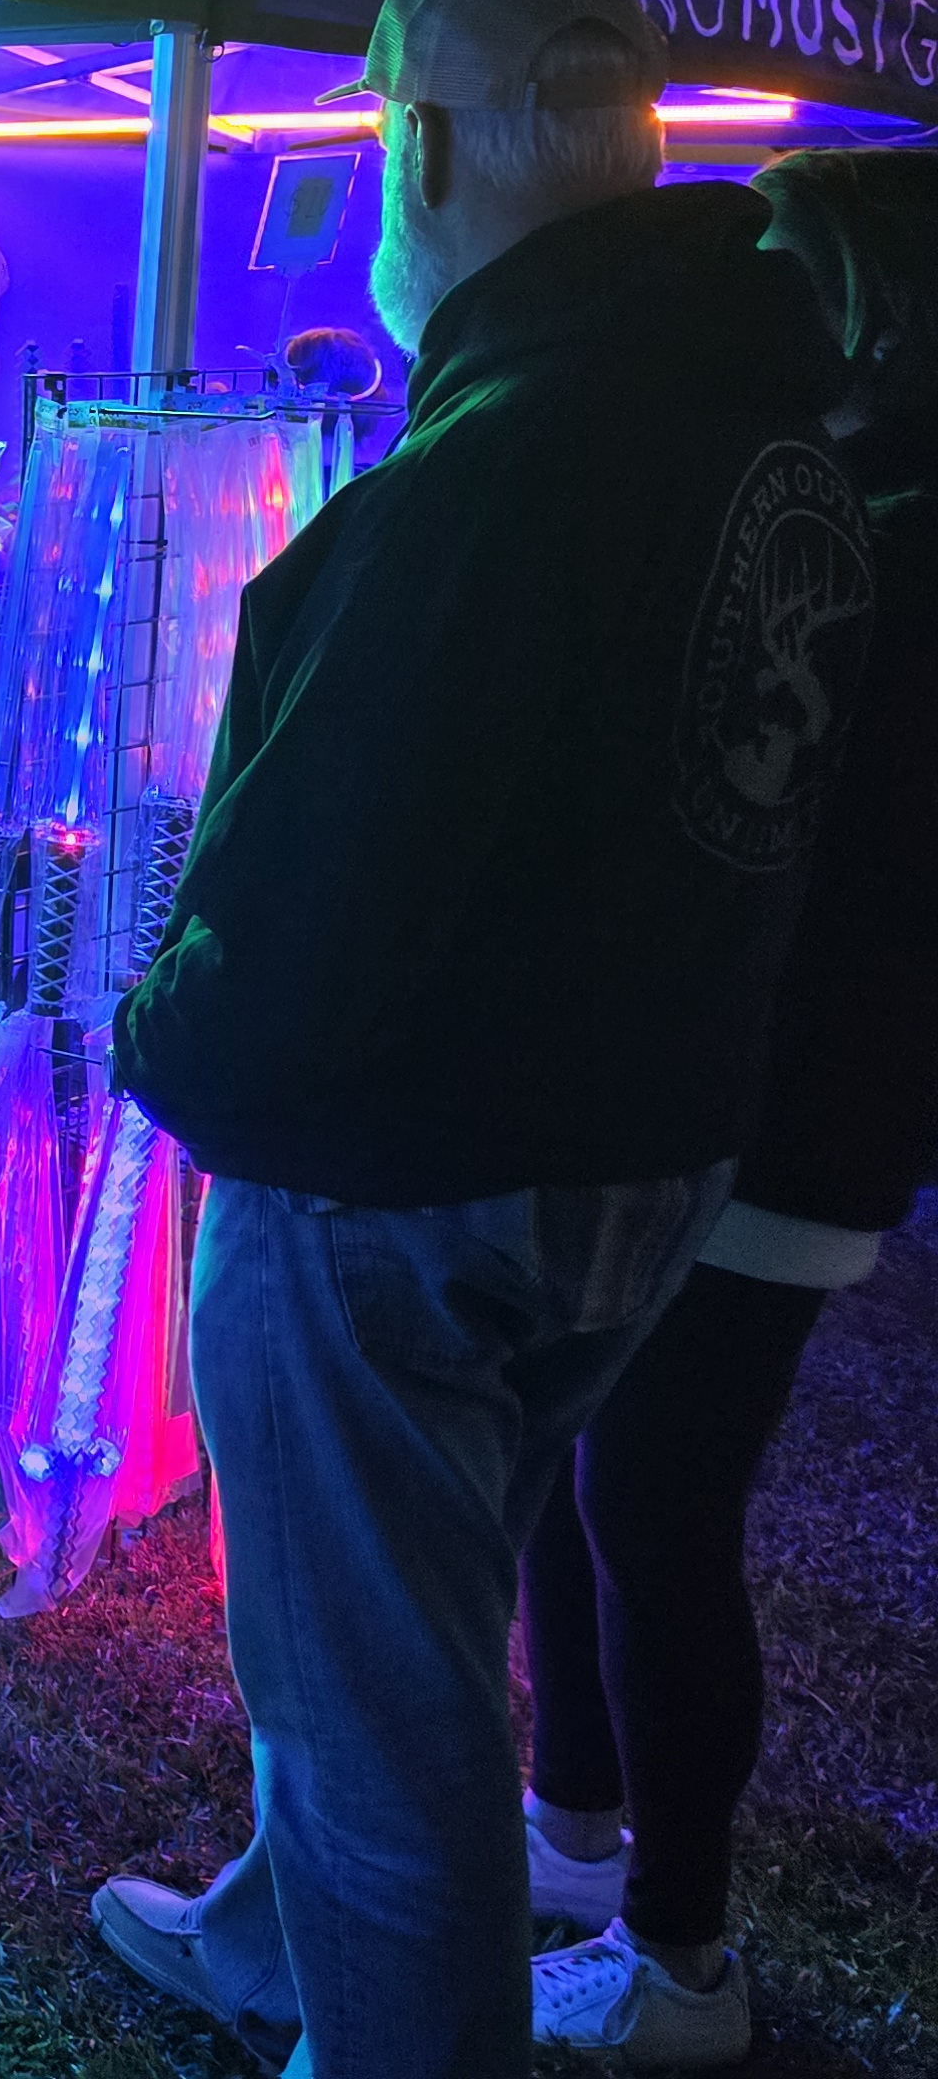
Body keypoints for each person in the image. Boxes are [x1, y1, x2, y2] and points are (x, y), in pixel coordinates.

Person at [90, 0, 873, 2079]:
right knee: (408, 1606)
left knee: (378, 1714)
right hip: (639, 1142)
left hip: (402, 1179)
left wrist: (159, 1035)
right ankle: (272, 1940)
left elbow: (310, 904)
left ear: (419, 146)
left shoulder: (502, 468)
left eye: (373, 139)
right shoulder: (758, 427)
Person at [513, 147, 938, 2070]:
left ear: (869, 308)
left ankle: (686, 1961)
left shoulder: (876, 525)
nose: (742, 285)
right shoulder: (836, 500)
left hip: (789, 1095)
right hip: (719, 1077)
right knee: (581, 1457)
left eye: (782, 260)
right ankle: (582, 1838)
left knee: (651, 1497)